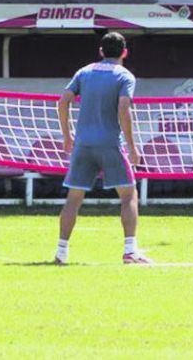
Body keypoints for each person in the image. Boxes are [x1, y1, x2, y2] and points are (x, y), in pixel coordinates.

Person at [54, 32, 152, 265]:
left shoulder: (84, 72)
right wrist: (132, 145)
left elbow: (62, 101)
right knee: (129, 194)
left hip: (83, 144)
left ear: (100, 51)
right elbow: (123, 109)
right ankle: (130, 251)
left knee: (73, 198)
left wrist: (67, 136)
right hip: (110, 143)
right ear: (125, 52)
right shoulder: (124, 76)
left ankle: (61, 252)